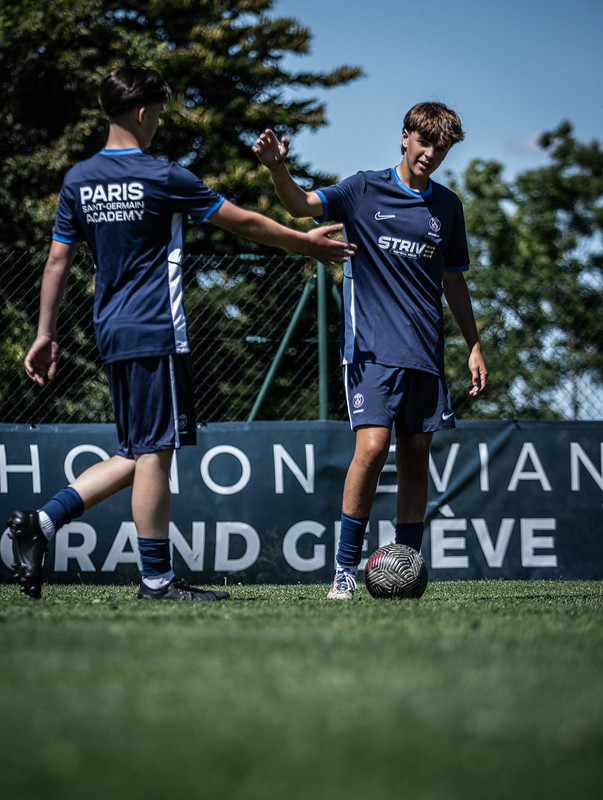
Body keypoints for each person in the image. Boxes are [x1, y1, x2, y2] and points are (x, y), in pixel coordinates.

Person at [8, 66, 355, 602]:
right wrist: (305, 243)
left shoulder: (79, 178)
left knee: (138, 449)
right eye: (161, 115)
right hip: (157, 330)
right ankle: (155, 580)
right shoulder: (163, 175)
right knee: (154, 453)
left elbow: (57, 259)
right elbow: (243, 222)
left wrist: (44, 332)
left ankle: (42, 522)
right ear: (144, 113)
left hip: (113, 330)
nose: (160, 125)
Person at [253, 101, 487, 599]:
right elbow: (299, 206)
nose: (430, 154)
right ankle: (343, 569)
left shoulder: (448, 207)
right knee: (374, 448)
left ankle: (406, 565)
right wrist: (277, 167)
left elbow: (454, 281)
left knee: (417, 455)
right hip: (370, 348)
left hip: (425, 351)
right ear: (405, 137)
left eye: (440, 147)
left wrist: (473, 344)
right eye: (423, 142)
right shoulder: (363, 188)